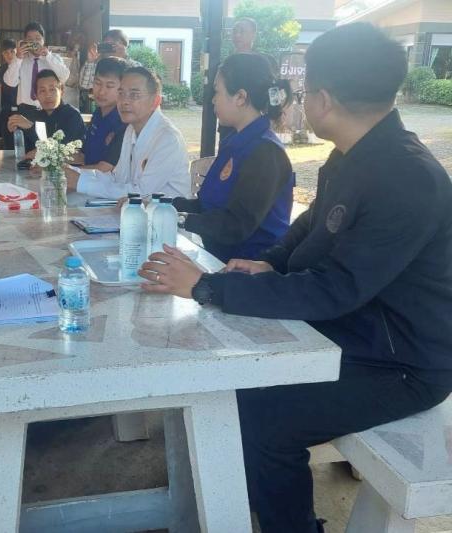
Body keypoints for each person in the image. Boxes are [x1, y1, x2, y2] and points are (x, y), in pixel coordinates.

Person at [138, 23, 452, 533]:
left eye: (306, 90)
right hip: (354, 330)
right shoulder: (354, 154)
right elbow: (311, 226)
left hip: (403, 363)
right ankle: (236, 500)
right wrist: (271, 263)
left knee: (265, 417)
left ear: (323, 99)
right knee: (227, 370)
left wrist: (206, 286)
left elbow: (334, 289)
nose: (301, 100)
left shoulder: (408, 178)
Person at [173, 53, 295, 263]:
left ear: (240, 97)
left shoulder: (266, 152)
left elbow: (237, 225)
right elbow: (207, 206)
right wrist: (163, 205)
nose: (213, 99)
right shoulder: (234, 143)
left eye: (217, 92)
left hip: (250, 268)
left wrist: (181, 220)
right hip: (219, 260)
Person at [66, 66, 190, 199]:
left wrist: (80, 182)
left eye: (134, 95)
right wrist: (72, 173)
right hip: (132, 208)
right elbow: (117, 178)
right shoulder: (131, 129)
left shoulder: (168, 139)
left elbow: (141, 193)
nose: (124, 101)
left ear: (156, 101)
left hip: (168, 211)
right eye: (121, 93)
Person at [7, 69, 86, 160]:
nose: (48, 95)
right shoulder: (36, 116)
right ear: (36, 95)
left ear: (61, 91)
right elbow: (25, 152)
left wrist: (31, 127)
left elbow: (61, 151)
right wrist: (14, 131)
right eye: (42, 91)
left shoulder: (72, 116)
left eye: (52, 89)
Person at [3, 21, 70, 116]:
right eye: (30, 39)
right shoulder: (20, 60)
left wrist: (48, 56)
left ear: (43, 40)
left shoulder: (53, 58)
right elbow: (10, 82)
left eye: (38, 38)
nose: (34, 42)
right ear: (25, 41)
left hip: (49, 109)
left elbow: (64, 76)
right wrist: (18, 58)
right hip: (25, 110)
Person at [76, 57, 128, 171]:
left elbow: (105, 168)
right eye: (97, 83)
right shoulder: (97, 113)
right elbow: (83, 155)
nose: (101, 91)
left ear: (122, 88)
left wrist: (64, 172)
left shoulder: (123, 121)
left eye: (109, 86)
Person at [0, 38, 19, 149]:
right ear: (2, 54)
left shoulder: (23, 66)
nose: (9, 55)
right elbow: (1, 89)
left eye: (12, 51)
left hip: (22, 110)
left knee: (22, 142)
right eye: (6, 52)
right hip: (6, 109)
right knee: (8, 144)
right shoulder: (0, 70)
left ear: (16, 52)